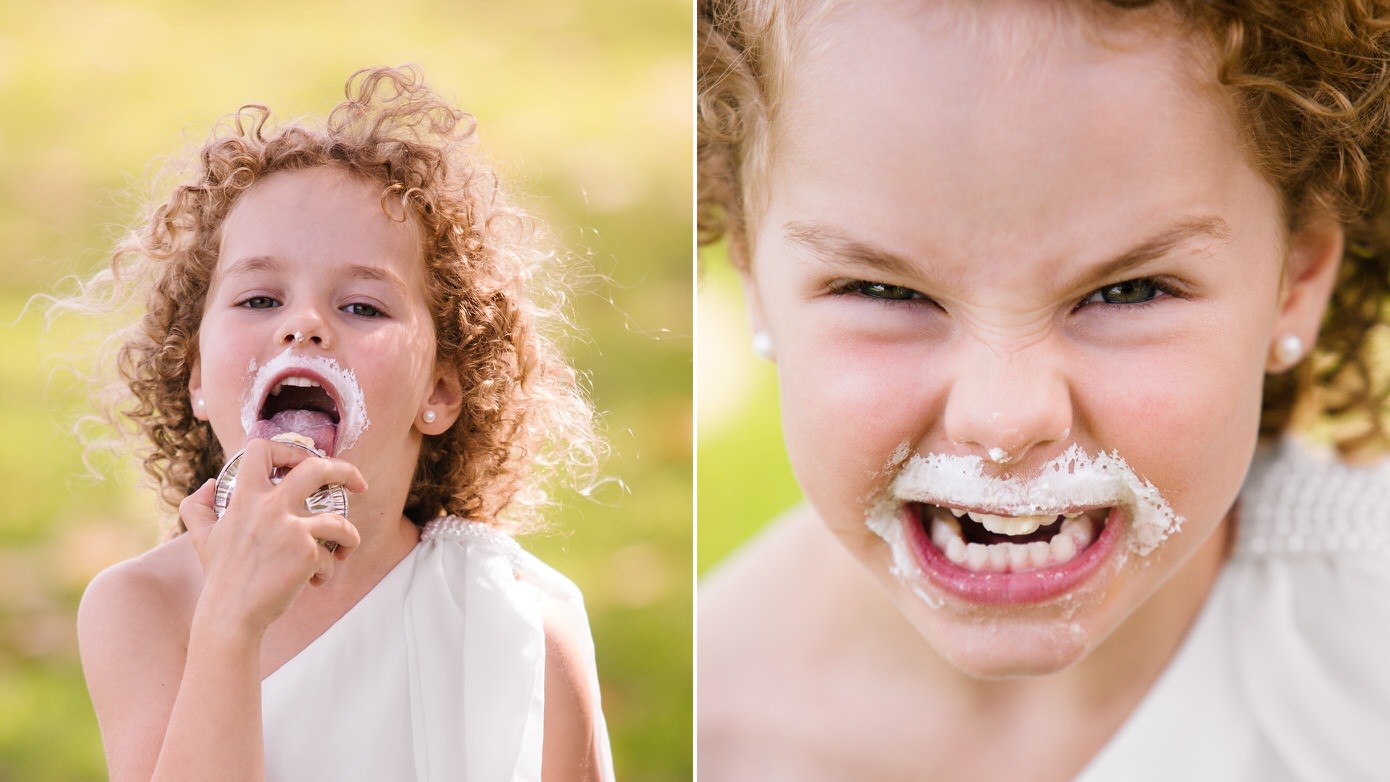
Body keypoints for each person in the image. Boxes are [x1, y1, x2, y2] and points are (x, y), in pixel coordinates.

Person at [698, 0, 1390, 779]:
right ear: (754, 278)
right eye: (885, 292)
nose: (1004, 418)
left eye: (1130, 292)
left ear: (1295, 281)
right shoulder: (704, 735)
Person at [73, 65, 613, 781]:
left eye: (362, 307)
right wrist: (230, 624)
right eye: (260, 299)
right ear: (197, 376)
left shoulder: (524, 623)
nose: (304, 325)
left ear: (443, 391)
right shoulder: (141, 610)